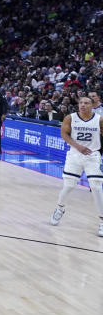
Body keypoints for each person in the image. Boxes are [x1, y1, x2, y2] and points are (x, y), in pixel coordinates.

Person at [49, 96, 103, 235]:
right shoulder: (70, 118)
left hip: (92, 155)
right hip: (75, 154)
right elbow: (64, 134)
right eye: (81, 103)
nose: (83, 105)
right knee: (69, 186)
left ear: (92, 105)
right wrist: (78, 147)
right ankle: (60, 209)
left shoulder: (99, 119)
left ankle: (102, 221)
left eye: (86, 103)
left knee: (96, 187)